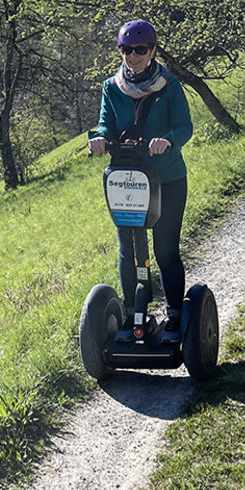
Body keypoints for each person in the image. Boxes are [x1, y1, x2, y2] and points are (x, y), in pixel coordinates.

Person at [88, 19, 193, 340]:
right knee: (128, 251)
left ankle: (176, 312)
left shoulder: (169, 86)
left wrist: (168, 140)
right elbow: (105, 123)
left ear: (152, 50)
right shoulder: (112, 87)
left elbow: (184, 126)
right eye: (126, 50)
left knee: (165, 251)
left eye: (140, 50)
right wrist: (99, 138)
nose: (133, 56)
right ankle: (137, 313)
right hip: (126, 179)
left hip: (167, 178)